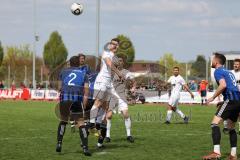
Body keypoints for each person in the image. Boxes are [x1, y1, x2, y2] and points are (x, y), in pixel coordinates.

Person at [202, 53, 240, 160]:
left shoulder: (218, 71)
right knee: (231, 127)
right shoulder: (229, 72)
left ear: (217, 62)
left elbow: (223, 85)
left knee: (214, 123)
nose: (211, 61)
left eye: (213, 59)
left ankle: (216, 153)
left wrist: (213, 97)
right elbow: (234, 87)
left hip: (230, 100)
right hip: (237, 101)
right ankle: (233, 155)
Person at [88, 38, 124, 148]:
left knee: (106, 108)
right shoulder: (106, 53)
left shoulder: (115, 57)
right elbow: (109, 64)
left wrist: (119, 75)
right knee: (98, 102)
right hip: (101, 81)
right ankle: (91, 122)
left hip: (109, 83)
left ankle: (99, 139)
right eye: (113, 44)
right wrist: (119, 73)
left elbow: (115, 67)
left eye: (116, 45)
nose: (114, 46)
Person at [55, 56, 91, 156]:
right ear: (79, 64)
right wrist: (83, 104)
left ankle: (59, 144)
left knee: (63, 121)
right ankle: (85, 148)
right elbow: (86, 91)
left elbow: (59, 88)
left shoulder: (63, 72)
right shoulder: (84, 74)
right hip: (77, 100)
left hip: (65, 99)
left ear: (70, 63)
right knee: (81, 123)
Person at [105, 56, 134, 143]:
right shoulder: (111, 73)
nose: (119, 62)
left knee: (125, 114)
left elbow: (132, 81)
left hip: (122, 96)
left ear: (123, 63)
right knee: (109, 116)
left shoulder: (126, 72)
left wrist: (132, 87)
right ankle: (107, 136)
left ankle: (129, 135)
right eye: (118, 61)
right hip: (112, 97)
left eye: (121, 61)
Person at [223, 58, 240, 134]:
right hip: (231, 94)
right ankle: (226, 127)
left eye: (237, 64)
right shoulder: (230, 73)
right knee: (227, 110)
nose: (235, 65)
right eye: (234, 64)